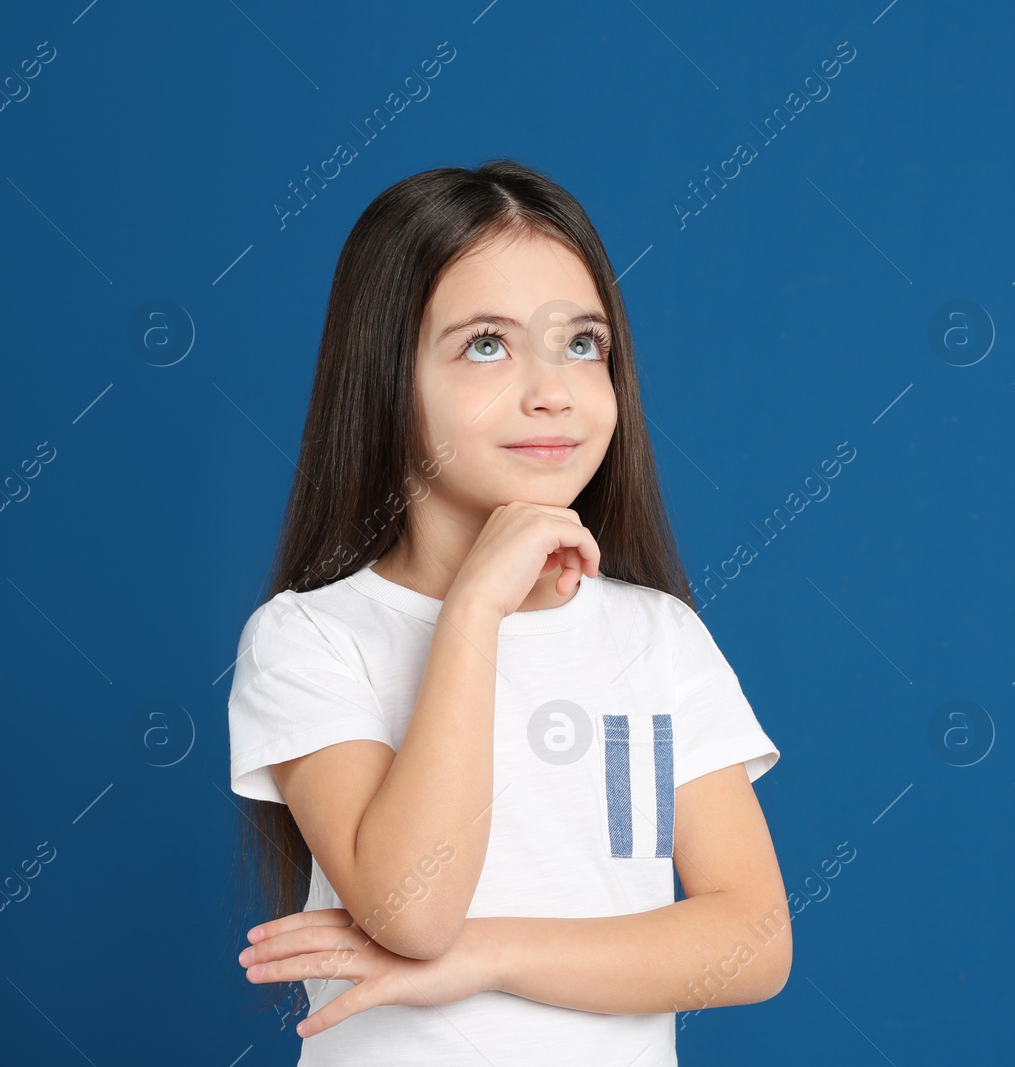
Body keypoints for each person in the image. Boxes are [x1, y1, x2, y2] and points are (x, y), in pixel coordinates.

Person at [225, 159, 790, 1065]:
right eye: (486, 343)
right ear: (385, 377)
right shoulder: (311, 637)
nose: (552, 390)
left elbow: (752, 940)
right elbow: (412, 908)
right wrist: (474, 608)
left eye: (581, 343)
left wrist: (488, 955)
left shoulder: (657, 635)